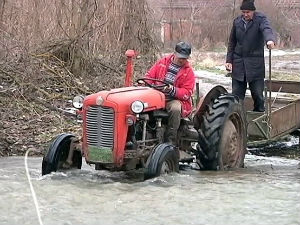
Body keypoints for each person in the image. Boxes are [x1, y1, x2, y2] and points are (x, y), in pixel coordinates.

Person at [225, 0, 276, 112]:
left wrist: (270, 40)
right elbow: (232, 42)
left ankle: (260, 119)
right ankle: (237, 121)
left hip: (255, 65)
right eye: (243, 12)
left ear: (253, 11)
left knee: (258, 95)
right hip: (238, 65)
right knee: (236, 97)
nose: (245, 14)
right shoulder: (237, 22)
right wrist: (229, 60)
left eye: (248, 12)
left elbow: (267, 29)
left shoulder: (260, 19)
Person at [144, 41, 195, 144]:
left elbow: (187, 92)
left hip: (174, 99)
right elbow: (149, 76)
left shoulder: (188, 72)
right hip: (156, 96)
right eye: (180, 57)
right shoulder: (162, 62)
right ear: (174, 54)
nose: (182, 60)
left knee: (175, 109)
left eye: (184, 58)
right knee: (138, 104)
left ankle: (170, 139)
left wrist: (173, 90)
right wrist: (144, 83)